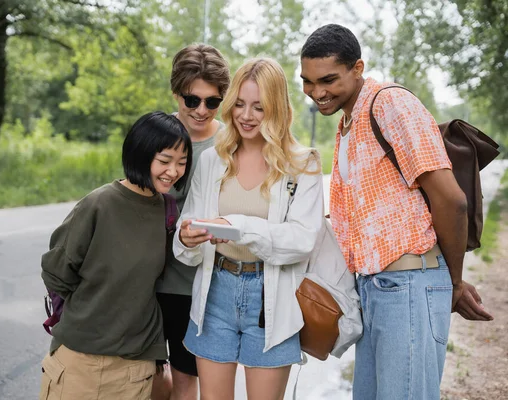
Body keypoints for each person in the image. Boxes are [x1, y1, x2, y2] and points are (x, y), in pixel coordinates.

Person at [299, 24, 494, 400]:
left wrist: (452, 284)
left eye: (328, 80)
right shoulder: (347, 121)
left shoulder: (389, 104)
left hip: (406, 286)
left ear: (357, 68)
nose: (317, 92)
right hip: (376, 288)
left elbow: (452, 201)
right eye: (307, 81)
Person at [174, 58, 324, 400]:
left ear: (278, 109)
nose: (246, 115)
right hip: (215, 295)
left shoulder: (302, 163)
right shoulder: (214, 159)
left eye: (259, 107)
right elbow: (189, 240)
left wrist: (237, 227)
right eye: (239, 104)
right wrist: (186, 238)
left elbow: (302, 240)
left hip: (271, 298)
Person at [38, 111, 192, 400]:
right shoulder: (98, 205)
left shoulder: (168, 212)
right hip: (80, 360)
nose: (173, 171)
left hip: (136, 365)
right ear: (141, 154)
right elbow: (57, 271)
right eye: (165, 161)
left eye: (182, 163)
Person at [153, 43, 230, 400]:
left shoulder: (230, 142)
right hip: (149, 279)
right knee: (148, 377)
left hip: (198, 284)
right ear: (176, 94)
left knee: (187, 378)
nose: (201, 110)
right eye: (191, 100)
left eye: (212, 102)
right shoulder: (156, 135)